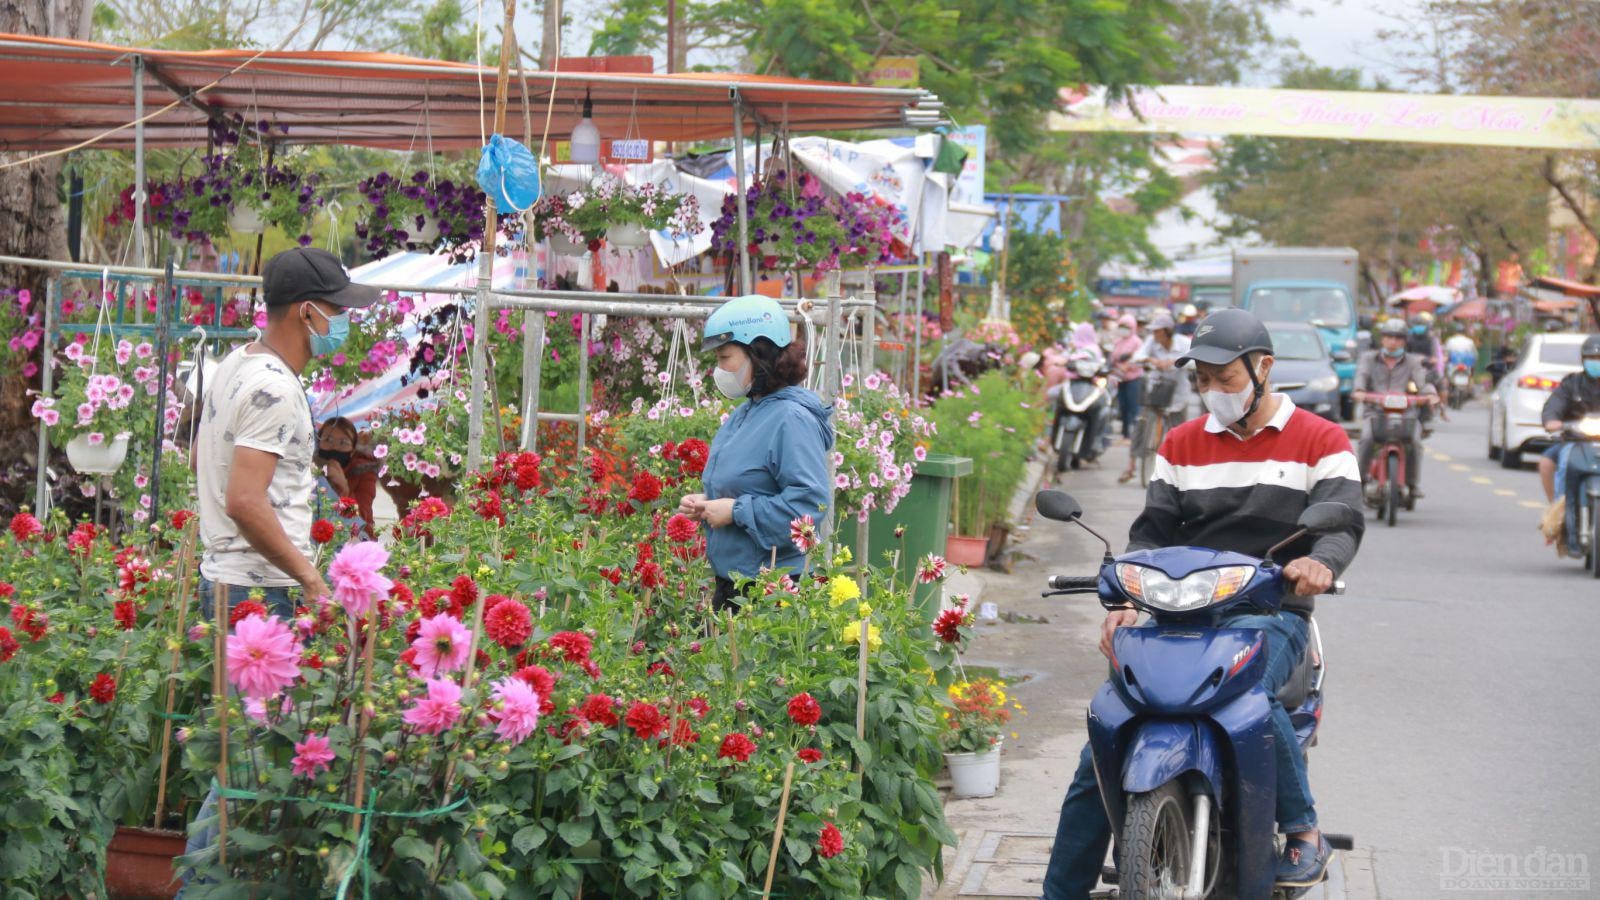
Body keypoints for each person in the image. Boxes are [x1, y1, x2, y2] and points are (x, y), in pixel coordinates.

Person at [1043, 308, 1365, 898]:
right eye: (1203, 380)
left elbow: (1342, 524)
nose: (1213, 391)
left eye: (1226, 378)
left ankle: (1302, 831)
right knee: (1106, 732)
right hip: (1178, 614)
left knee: (1251, 695)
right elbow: (1152, 531)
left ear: (1264, 368)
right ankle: (1060, 890)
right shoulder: (1181, 443)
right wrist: (1123, 597)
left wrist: (1321, 563)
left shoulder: (1323, 438)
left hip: (1269, 611)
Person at [182, 247, 379, 891]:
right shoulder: (271, 387)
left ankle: (213, 883)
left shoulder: (237, 365)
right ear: (306, 312)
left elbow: (207, 469)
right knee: (251, 764)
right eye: (337, 312)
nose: (344, 323)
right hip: (259, 591)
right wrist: (313, 578)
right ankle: (199, 889)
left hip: (232, 579)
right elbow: (245, 499)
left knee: (245, 758)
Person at [677, 296, 834, 612]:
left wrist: (736, 511)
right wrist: (707, 502)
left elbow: (808, 506)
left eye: (725, 357)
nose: (719, 370)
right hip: (736, 583)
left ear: (758, 353)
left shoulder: (791, 419)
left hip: (771, 592)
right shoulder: (749, 411)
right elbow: (749, 484)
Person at [1353, 319, 1438, 501]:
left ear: (1404, 341)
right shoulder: (1368, 358)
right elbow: (1361, 376)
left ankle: (1412, 484)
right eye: (1389, 337)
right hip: (1375, 412)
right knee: (1367, 439)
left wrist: (1430, 394)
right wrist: (1359, 391)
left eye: (1398, 338)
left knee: (1415, 442)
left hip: (1405, 413)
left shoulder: (1413, 361)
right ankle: (1359, 482)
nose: (1393, 341)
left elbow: (1422, 382)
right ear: (1382, 339)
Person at [1118, 313, 1190, 483]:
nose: (1154, 334)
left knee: (1180, 433)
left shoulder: (1184, 343)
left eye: (1157, 331)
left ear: (1167, 331)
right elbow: (1138, 356)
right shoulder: (1151, 342)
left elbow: (1194, 361)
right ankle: (1131, 466)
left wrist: (1174, 362)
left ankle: (1182, 470)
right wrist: (1151, 360)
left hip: (1177, 394)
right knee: (1141, 425)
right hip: (1155, 390)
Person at [1538, 334, 1600, 505]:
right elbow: (1554, 405)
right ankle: (1558, 510)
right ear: (1583, 360)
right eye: (1592, 358)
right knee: (1551, 463)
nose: (1596, 361)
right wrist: (1552, 420)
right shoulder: (1572, 384)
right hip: (1575, 441)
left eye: (1599, 357)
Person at [314, 415, 379, 538]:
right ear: (318, 444)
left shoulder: (364, 473)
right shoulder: (308, 468)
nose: (334, 447)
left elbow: (362, 517)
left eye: (343, 442)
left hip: (353, 538)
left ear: (353, 450)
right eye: (328, 440)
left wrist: (344, 490)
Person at [1109, 314, 1143, 438]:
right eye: (1121, 326)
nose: (1123, 329)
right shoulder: (1117, 341)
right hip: (1119, 378)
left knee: (1133, 406)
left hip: (1133, 378)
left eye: (1126, 327)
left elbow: (1140, 360)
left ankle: (1136, 435)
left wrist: (1128, 366)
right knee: (1122, 406)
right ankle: (1125, 434)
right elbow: (1112, 357)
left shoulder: (1137, 342)